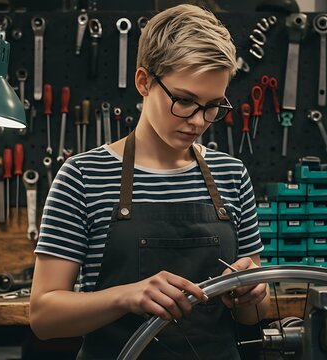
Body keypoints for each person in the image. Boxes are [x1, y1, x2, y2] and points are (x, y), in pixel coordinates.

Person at [30, 4, 268, 358]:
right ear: (144, 82)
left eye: (213, 105)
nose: (199, 121)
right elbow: (44, 317)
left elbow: (255, 313)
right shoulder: (83, 176)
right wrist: (126, 296)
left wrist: (252, 294)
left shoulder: (231, 175)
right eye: (185, 101)